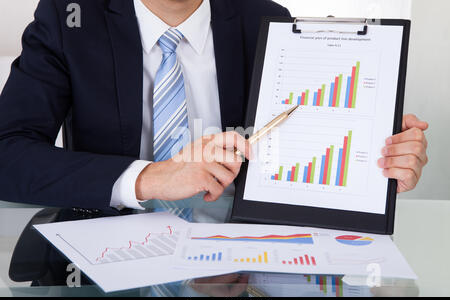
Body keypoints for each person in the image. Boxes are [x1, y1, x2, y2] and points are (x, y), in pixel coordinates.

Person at [0, 0, 428, 212]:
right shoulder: (68, 18)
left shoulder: (268, 20)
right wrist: (151, 178)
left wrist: (380, 165)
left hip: (236, 268)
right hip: (104, 254)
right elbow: (7, 154)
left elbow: (310, 150)